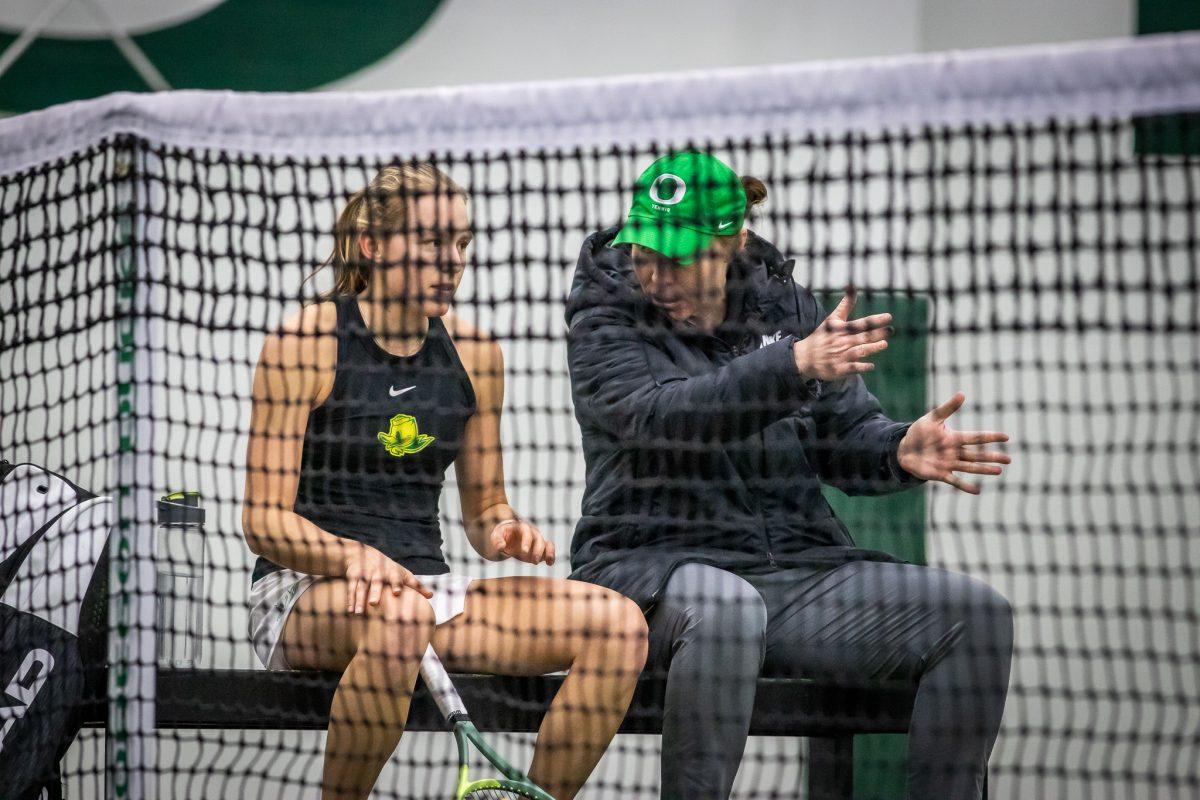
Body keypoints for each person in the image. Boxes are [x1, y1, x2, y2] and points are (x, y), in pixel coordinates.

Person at [565, 151, 1013, 800]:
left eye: (680, 260)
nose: (657, 277)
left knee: (977, 617)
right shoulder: (604, 315)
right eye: (644, 255)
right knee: (726, 608)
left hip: (796, 574)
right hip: (654, 573)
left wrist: (897, 450)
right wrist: (790, 366)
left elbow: (844, 438)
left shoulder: (784, 306)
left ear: (732, 244)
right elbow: (660, 419)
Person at [242, 162, 648, 800]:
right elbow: (263, 522)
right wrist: (355, 559)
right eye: (432, 243)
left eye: (461, 244)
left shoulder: (477, 355)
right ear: (372, 247)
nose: (453, 261)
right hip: (305, 591)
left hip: (421, 592)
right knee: (400, 617)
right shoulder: (306, 341)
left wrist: (506, 530)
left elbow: (485, 507)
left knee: (619, 624)